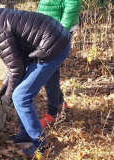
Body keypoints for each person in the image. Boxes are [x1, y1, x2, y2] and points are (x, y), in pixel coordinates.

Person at [0, 0, 71, 159]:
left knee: (20, 97)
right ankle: (26, 134)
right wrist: (4, 87)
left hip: (52, 47)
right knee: (19, 93)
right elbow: (17, 61)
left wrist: (7, 96)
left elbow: (16, 67)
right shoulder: (4, 15)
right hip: (56, 38)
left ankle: (43, 146)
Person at [37, 0, 81, 128]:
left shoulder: (60, 29)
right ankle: (60, 103)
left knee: (49, 69)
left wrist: (62, 30)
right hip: (49, 27)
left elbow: (73, 4)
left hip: (58, 29)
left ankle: (53, 113)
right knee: (51, 68)